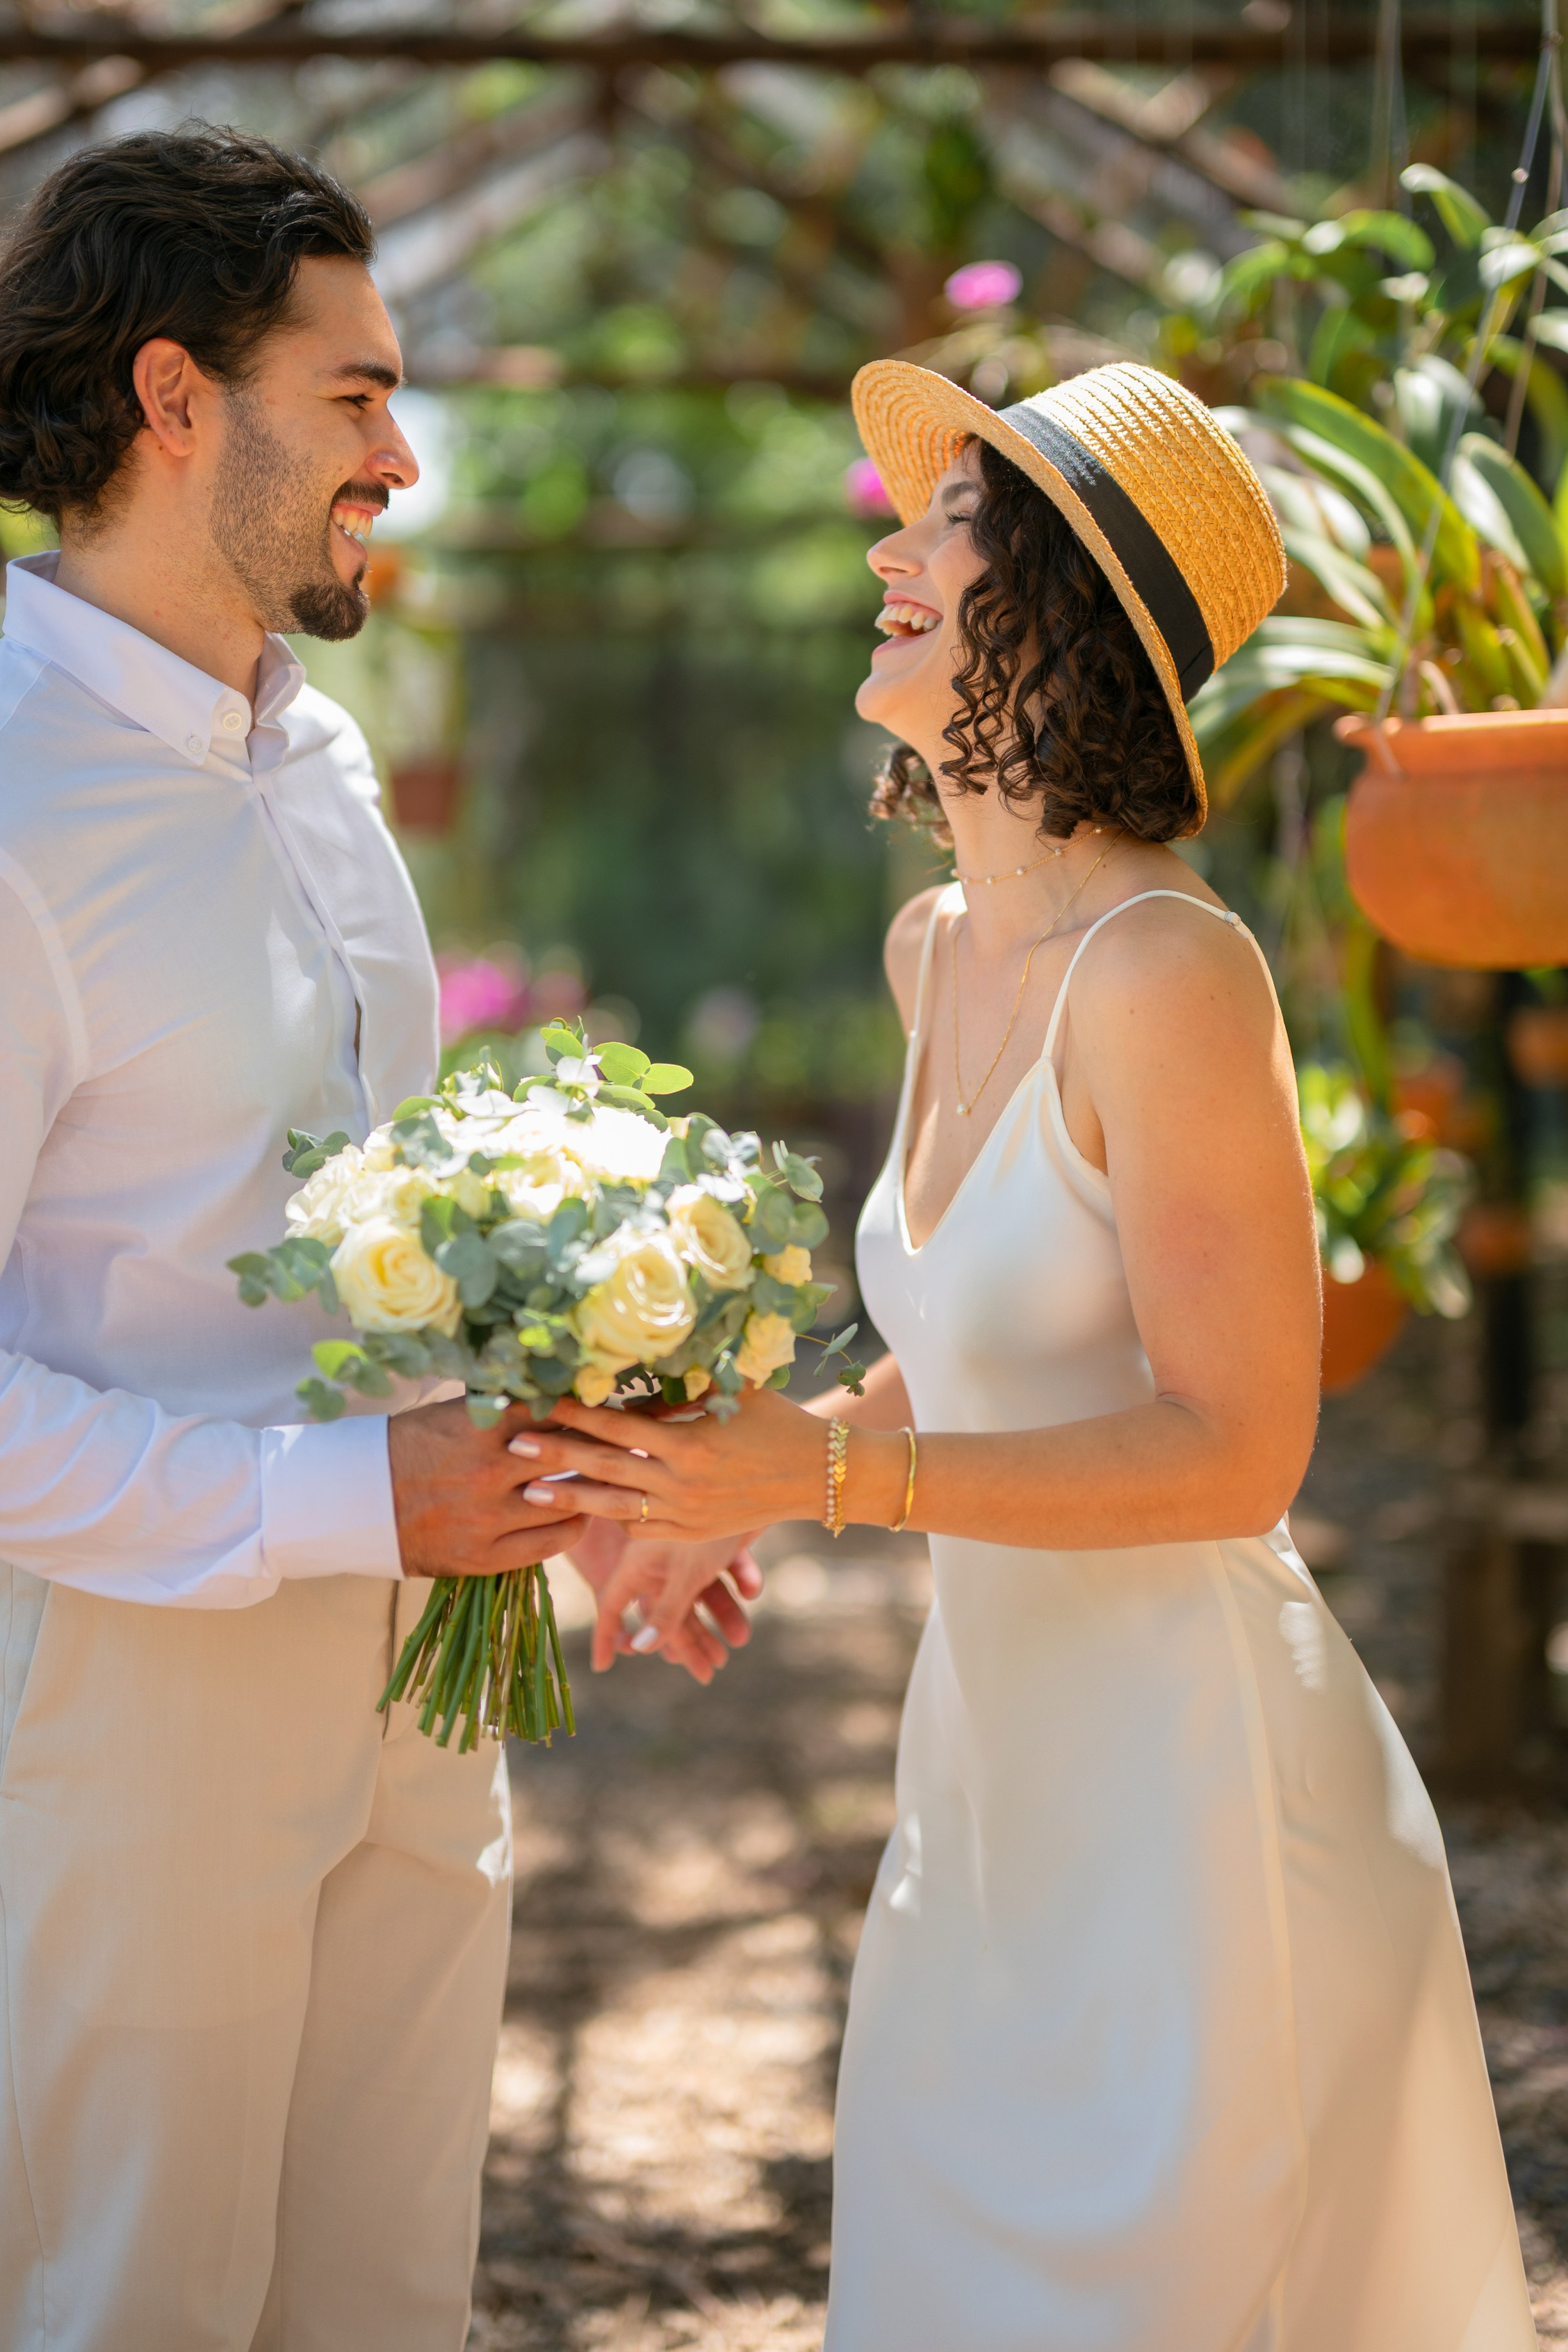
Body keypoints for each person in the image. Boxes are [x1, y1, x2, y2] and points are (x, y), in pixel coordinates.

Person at [0, 123, 751, 2352]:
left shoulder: (310, 764)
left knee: (381, 2304)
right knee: (143, 2312)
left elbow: (368, 1218)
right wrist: (334, 1500)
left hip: (423, 1663)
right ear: (172, 398)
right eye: (359, 392)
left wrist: (581, 1476)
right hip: (123, 1700)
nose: (400, 455)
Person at [509, 359, 1538, 2351]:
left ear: (1065, 608)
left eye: (946, 524)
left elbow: (1238, 1449)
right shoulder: (935, 952)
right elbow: (981, 1357)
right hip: (989, 1779)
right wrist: (731, 1494)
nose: (887, 546)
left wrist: (810, 1478)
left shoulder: (1172, 969)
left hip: (1195, 1809)